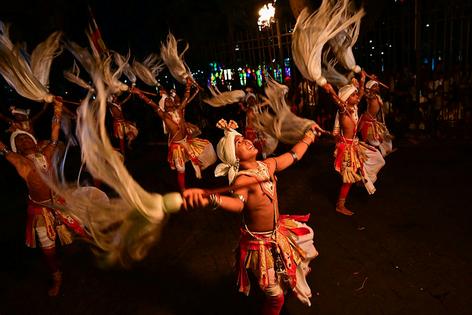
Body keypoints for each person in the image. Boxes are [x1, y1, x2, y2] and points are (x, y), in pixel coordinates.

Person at [182, 119, 319, 315]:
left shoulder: (268, 165)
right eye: (239, 143)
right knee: (275, 296)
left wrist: (309, 137)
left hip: (278, 234)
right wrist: (210, 199)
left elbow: (293, 155)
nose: (246, 141)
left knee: (299, 254)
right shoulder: (243, 179)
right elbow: (238, 205)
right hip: (260, 246)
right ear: (235, 157)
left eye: (244, 138)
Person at [0, 97, 83, 296]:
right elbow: (2, 148)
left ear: (34, 140)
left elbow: (54, 136)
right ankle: (57, 276)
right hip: (40, 210)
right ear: (16, 148)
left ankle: (97, 245)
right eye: (19, 140)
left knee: (81, 228)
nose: (24, 139)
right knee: (49, 250)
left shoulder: (46, 152)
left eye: (26, 137)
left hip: (60, 201)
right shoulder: (19, 161)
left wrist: (57, 108)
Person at [131, 78, 216, 191]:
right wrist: (140, 94)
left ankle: (200, 179)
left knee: (204, 148)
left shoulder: (179, 110)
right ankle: (183, 190)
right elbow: (151, 103)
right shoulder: (164, 115)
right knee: (181, 169)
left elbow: (186, 98)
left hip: (186, 141)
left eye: (170, 100)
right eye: (166, 101)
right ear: (164, 106)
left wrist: (188, 85)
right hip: (176, 146)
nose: (169, 101)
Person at [322, 73, 385, 216]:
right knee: (347, 180)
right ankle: (340, 205)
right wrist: (331, 91)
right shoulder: (344, 112)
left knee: (376, 158)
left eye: (356, 96)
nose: (357, 97)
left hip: (354, 145)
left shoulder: (355, 108)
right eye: (354, 95)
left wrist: (362, 80)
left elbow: (361, 93)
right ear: (346, 99)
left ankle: (360, 180)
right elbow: (340, 104)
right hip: (347, 148)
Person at [358, 80, 394, 157]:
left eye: (377, 85)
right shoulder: (369, 96)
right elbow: (366, 94)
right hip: (367, 122)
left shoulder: (377, 96)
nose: (377, 87)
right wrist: (364, 84)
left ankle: (380, 153)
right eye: (375, 86)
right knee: (374, 142)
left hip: (374, 121)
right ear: (369, 88)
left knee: (385, 139)